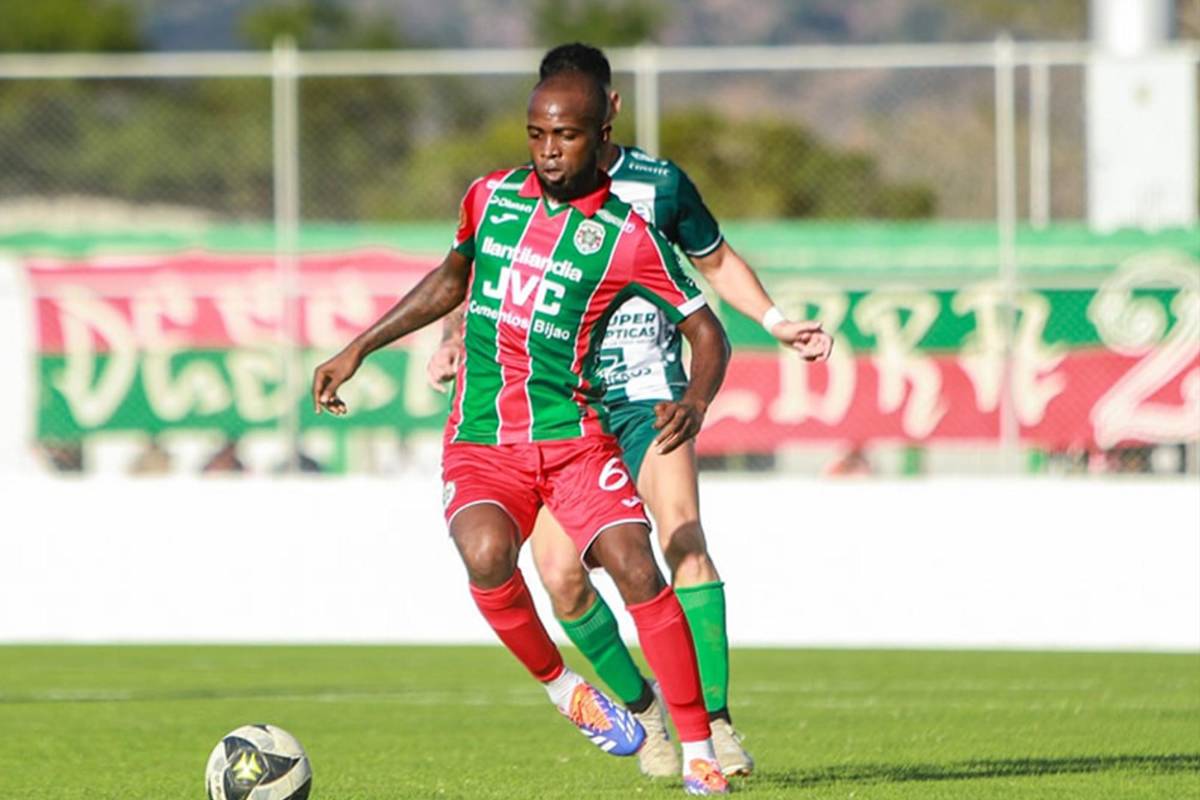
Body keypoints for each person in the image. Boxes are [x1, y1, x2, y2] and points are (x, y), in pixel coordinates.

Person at [314, 69, 732, 795]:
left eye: (565, 135)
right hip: (484, 437)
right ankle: (564, 689)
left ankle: (701, 748)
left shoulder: (627, 238)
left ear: (601, 136)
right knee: (485, 554)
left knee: (636, 564)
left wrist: (695, 400)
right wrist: (360, 347)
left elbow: (707, 330)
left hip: (574, 440)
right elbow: (451, 280)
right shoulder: (490, 198)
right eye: (537, 134)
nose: (548, 150)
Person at [427, 43, 834, 779]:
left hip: (647, 388)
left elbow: (715, 263)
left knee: (679, 536)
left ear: (607, 110)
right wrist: (452, 340)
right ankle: (643, 711)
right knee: (560, 575)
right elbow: (484, 275)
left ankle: (713, 728)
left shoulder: (657, 185)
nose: (555, 140)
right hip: (559, 407)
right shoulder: (516, 194)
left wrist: (774, 321)